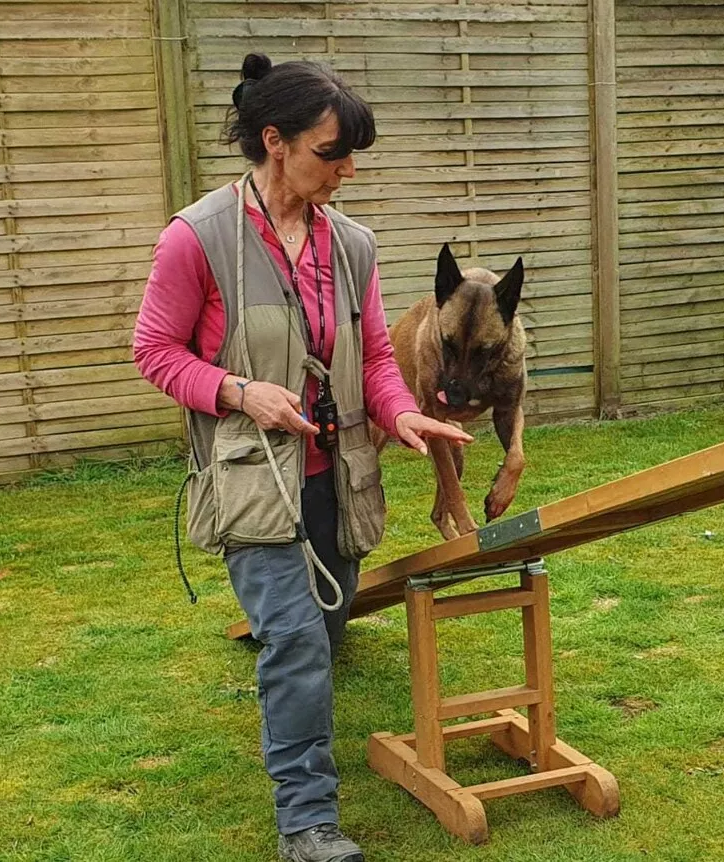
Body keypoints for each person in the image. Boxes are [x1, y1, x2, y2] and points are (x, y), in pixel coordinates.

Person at [132, 52, 472, 862]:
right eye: (332, 153)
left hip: (338, 478)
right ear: (274, 141)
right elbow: (153, 352)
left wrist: (403, 415)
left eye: (354, 155)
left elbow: (378, 357)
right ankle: (308, 824)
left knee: (324, 623)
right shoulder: (198, 239)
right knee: (293, 640)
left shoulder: (351, 245)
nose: (347, 171)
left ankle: (303, 677)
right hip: (256, 483)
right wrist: (242, 392)